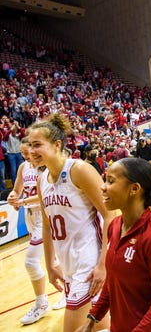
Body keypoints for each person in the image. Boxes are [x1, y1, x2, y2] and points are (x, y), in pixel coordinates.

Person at [28, 114, 114, 332]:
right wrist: (49, 264)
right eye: (30, 145)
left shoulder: (79, 170)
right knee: (100, 327)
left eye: (37, 144)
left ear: (57, 145)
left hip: (89, 263)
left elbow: (110, 215)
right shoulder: (41, 180)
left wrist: (103, 264)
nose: (31, 150)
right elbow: (47, 225)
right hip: (69, 266)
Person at [75, 158, 151, 332]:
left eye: (111, 181)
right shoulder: (115, 226)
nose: (103, 187)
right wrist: (92, 320)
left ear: (134, 189)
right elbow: (112, 282)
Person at [7, 137, 65, 325]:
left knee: (31, 261)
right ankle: (67, 291)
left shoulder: (45, 168)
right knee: (53, 259)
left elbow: (43, 196)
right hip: (29, 216)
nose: (26, 156)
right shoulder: (24, 167)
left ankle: (41, 303)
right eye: (23, 154)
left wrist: (22, 201)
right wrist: (13, 197)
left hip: (43, 215)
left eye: (28, 153)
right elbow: (17, 189)